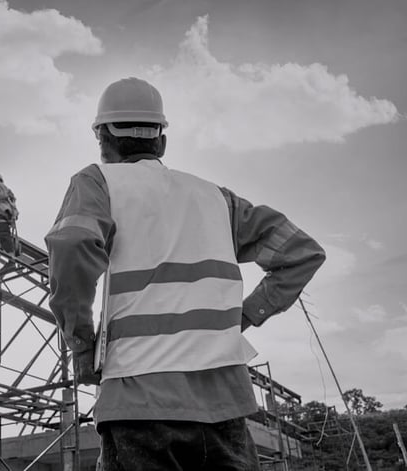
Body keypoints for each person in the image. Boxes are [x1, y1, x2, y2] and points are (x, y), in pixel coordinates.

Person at [45, 77, 326, 470]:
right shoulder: (216, 198)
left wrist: (81, 343)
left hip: (137, 399)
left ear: (102, 139)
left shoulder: (96, 182)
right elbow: (302, 253)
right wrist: (243, 317)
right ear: (161, 140)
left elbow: (73, 243)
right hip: (224, 405)